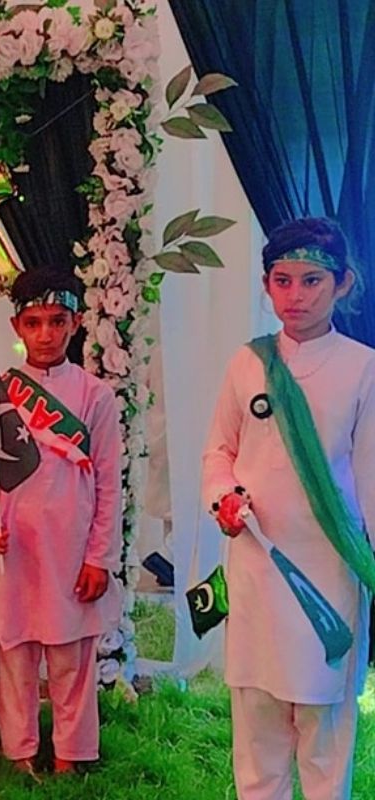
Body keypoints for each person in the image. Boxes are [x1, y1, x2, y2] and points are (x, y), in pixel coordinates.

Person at [203, 217, 374, 800]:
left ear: (343, 284)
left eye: (311, 281)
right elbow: (219, 451)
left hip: (329, 571)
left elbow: (371, 478)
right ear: (266, 285)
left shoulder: (363, 368)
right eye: (282, 281)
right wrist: (223, 497)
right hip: (258, 564)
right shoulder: (247, 363)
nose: (295, 295)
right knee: (257, 724)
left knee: (324, 729)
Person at [0, 268, 123, 776]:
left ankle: (70, 757)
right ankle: (18, 753)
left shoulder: (95, 396)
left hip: (72, 550)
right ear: (17, 326)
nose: (45, 334)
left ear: (76, 324)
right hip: (14, 549)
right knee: (16, 656)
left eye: (57, 321)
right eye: (34, 323)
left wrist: (99, 557)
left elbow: (108, 484)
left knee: (71, 659)